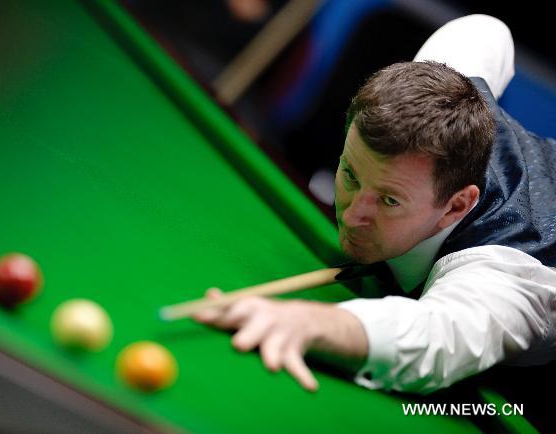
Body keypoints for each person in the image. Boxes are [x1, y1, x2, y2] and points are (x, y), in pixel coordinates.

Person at [193, 15, 556, 395]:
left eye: (388, 200)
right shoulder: (451, 85)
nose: (350, 215)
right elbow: (486, 30)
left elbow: (436, 337)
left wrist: (314, 323)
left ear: (454, 207)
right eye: (350, 175)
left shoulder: (510, 274)